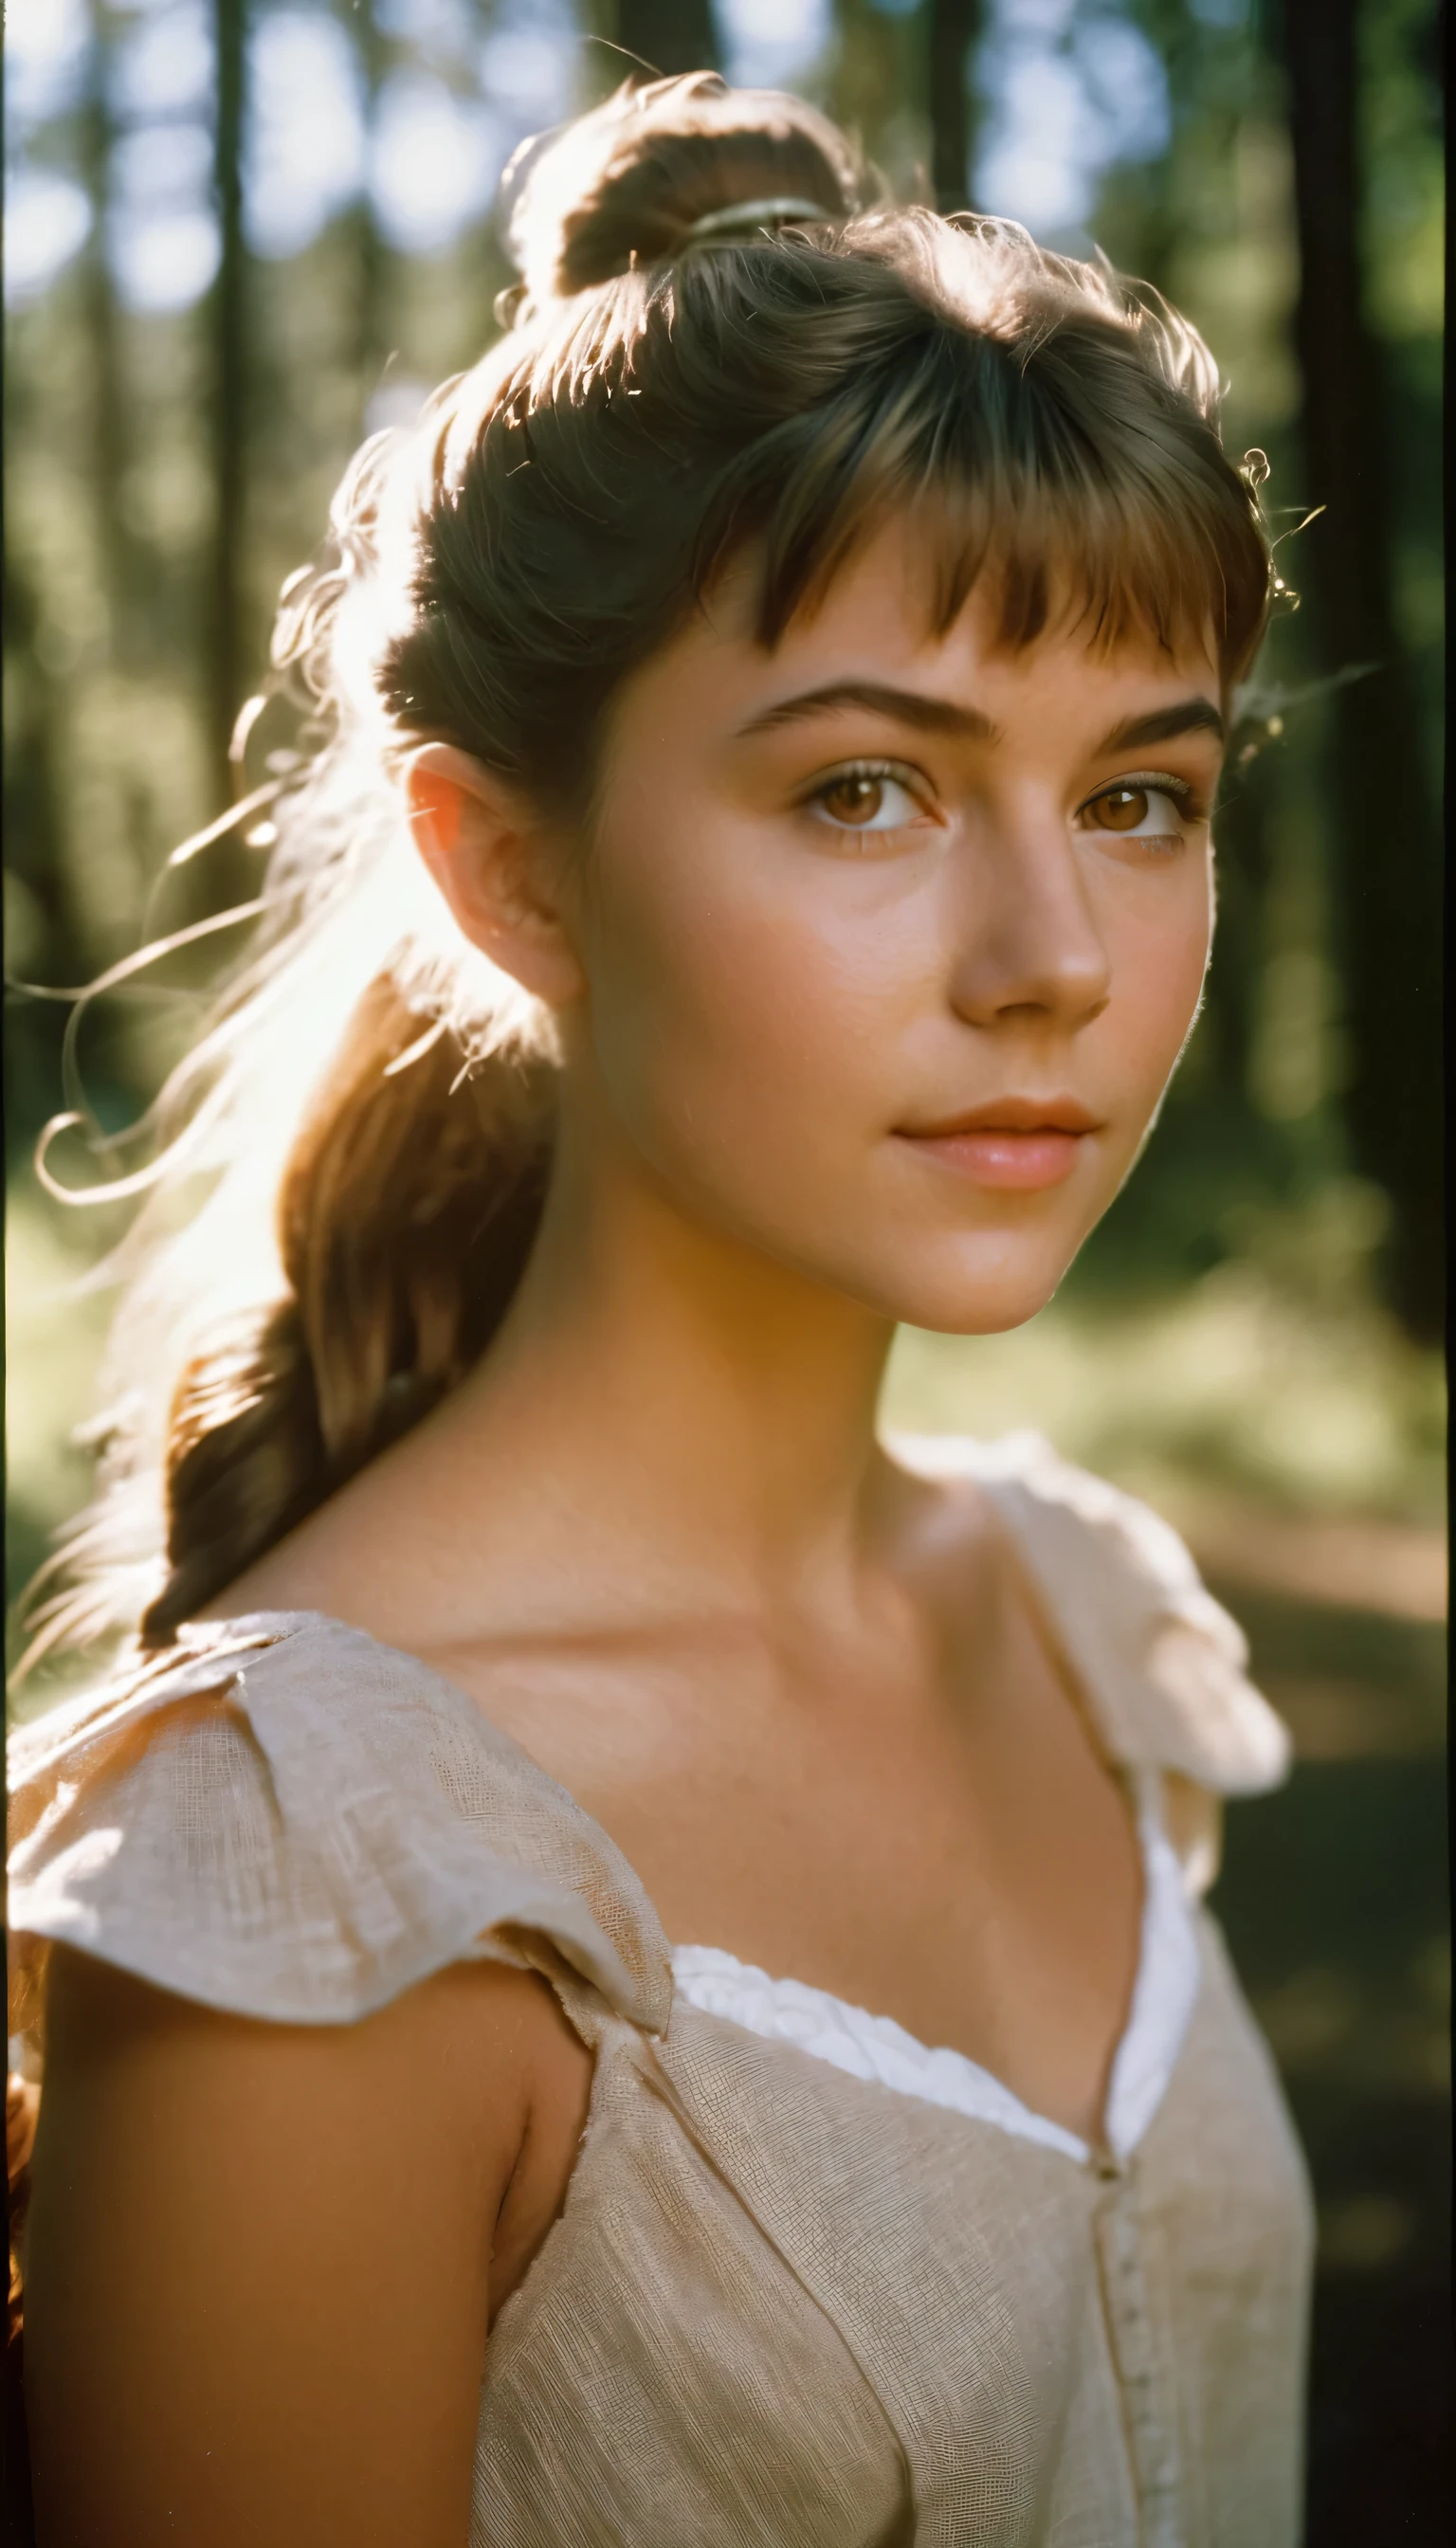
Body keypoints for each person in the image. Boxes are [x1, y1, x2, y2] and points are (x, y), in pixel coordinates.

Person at [9, 72, 1311, 2548]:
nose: (1054, 964)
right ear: (509, 870)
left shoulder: (1063, 1620)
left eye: (1140, 797)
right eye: (866, 792)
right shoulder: (322, 1899)